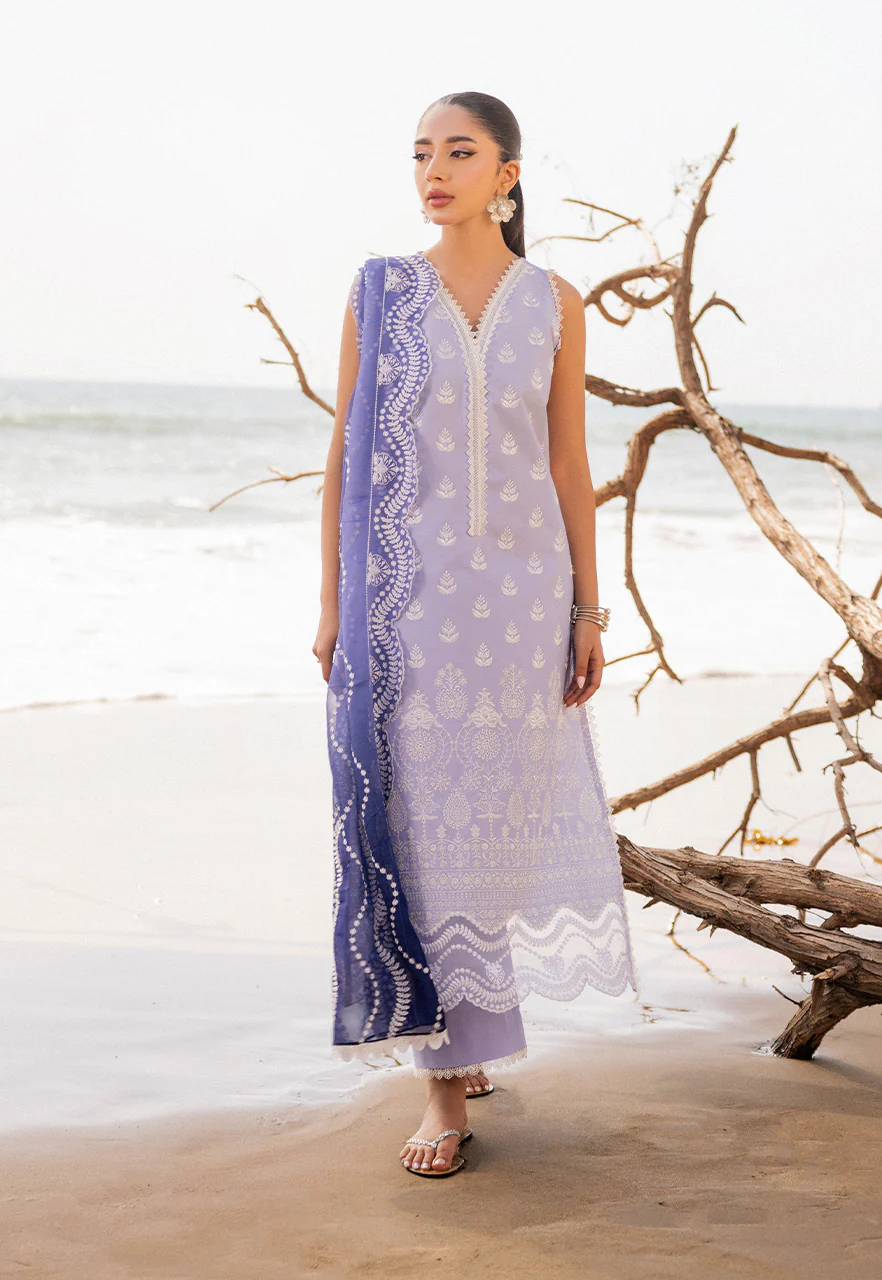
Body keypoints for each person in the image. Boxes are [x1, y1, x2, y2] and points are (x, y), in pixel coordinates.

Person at [314, 91, 636, 1178]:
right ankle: (444, 1086)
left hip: (524, 606)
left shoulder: (555, 301)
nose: (434, 172)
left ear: (507, 174)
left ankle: (476, 1029)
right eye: (421, 154)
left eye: (458, 152)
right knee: (422, 822)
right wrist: (332, 602)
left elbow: (569, 465)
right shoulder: (381, 291)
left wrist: (588, 609)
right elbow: (344, 454)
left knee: (491, 821)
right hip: (408, 606)